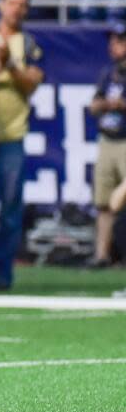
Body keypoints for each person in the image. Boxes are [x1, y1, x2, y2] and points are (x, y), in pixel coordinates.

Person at [0, 0, 44, 289]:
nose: (16, 9)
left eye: (22, 4)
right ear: (1, 5)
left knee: (10, 206)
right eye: (12, 2)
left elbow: (32, 83)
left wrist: (9, 63)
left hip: (12, 131)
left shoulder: (29, 43)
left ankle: (1, 274)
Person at [88, 23, 126, 268]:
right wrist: (106, 105)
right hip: (107, 139)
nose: (113, 46)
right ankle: (102, 254)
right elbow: (94, 105)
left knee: (119, 201)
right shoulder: (108, 73)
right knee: (104, 201)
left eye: (118, 41)